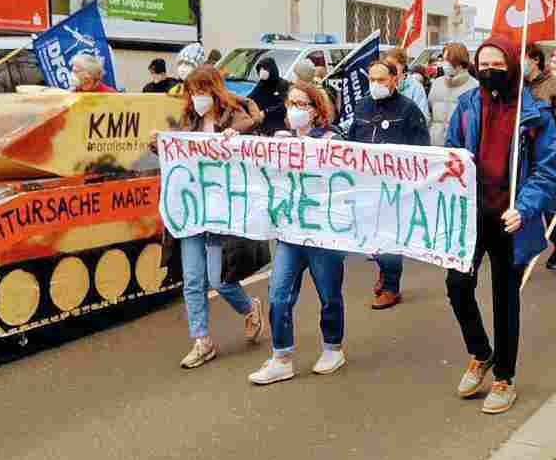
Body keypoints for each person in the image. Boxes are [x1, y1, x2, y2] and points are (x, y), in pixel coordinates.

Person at [445, 35, 556, 414]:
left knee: (504, 298)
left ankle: (504, 377)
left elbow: (546, 172)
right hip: (470, 216)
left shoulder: (536, 114)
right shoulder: (465, 106)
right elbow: (450, 157)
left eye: (498, 64)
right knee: (457, 284)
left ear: (511, 66)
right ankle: (481, 352)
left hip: (511, 220)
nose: (490, 71)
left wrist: (524, 208)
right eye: (484, 64)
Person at [153, 66, 264, 369]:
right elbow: (175, 149)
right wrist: (159, 143)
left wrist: (235, 135)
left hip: (219, 213)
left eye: (202, 90)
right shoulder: (189, 119)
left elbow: (249, 126)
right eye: (192, 91)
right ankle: (201, 341)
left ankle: (249, 308)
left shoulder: (235, 114)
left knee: (220, 280)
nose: (197, 97)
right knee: (192, 280)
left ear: (215, 89)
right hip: (192, 210)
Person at [248, 82, 348, 385]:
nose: (294, 109)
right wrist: (231, 141)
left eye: (301, 104)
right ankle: (281, 356)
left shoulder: (333, 140)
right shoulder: (281, 141)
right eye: (290, 102)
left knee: (329, 295)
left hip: (323, 234)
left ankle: (333, 348)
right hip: (290, 234)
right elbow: (248, 159)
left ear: (316, 111)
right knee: (278, 295)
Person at [348, 60, 429, 309]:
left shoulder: (408, 109)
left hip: (394, 188)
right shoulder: (362, 106)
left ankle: (392, 287)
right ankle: (384, 269)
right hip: (366, 184)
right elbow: (352, 140)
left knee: (389, 236)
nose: (375, 85)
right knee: (370, 235)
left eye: (381, 80)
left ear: (395, 80)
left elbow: (421, 148)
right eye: (371, 80)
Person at [523, 46, 556, 271]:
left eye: (522, 58)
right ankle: (524, 253)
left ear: (534, 60)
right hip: (523, 156)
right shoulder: (518, 87)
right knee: (523, 203)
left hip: (547, 156)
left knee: (548, 204)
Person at [427, 42, 479, 146]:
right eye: (443, 60)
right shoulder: (437, 83)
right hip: (434, 146)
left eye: (447, 60)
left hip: (459, 148)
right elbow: (429, 113)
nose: (444, 64)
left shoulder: (474, 87)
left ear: (459, 63)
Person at [382, 48, 431, 123]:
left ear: (402, 65)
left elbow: (423, 117)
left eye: (394, 64)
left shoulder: (415, 87)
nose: (390, 68)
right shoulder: (382, 85)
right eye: (387, 65)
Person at [248, 57, 290, 135]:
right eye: (260, 69)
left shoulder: (282, 84)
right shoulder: (261, 84)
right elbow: (250, 98)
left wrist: (266, 112)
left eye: (265, 69)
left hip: (277, 123)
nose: (262, 71)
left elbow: (283, 104)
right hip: (261, 123)